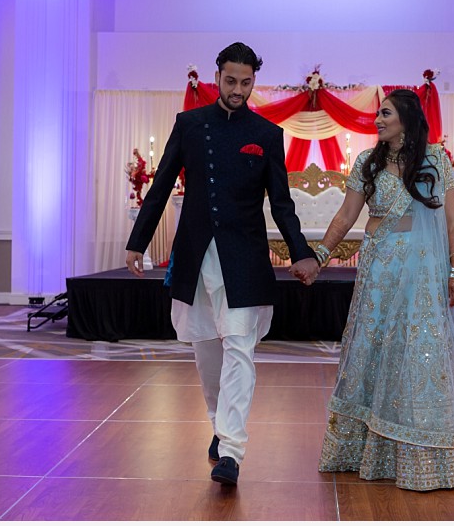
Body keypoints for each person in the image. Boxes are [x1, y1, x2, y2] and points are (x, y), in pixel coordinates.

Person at [126, 42, 320, 486]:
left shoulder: (267, 134)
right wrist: (137, 242)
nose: (238, 89)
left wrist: (302, 252)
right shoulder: (190, 125)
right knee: (206, 349)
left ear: (255, 81)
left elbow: (283, 204)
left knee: (239, 347)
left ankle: (231, 448)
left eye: (246, 82)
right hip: (195, 254)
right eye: (230, 81)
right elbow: (159, 187)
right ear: (217, 77)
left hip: (244, 258)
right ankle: (219, 422)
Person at [314, 89, 454, 491]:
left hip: (422, 271)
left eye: (385, 114)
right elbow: (346, 215)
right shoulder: (368, 162)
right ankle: (360, 450)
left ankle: (420, 455)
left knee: (416, 351)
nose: (378, 120)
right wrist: (320, 256)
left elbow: (453, 222)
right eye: (378, 114)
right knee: (371, 348)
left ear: (406, 117)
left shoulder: (436, 160)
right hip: (379, 269)